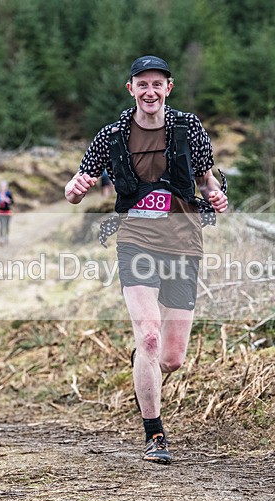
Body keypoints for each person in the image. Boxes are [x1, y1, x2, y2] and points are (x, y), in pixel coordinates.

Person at [65, 55, 228, 465]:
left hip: (183, 242)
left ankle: (143, 362)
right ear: (131, 89)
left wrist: (216, 194)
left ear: (168, 88)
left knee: (170, 357)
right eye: (142, 84)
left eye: (157, 84)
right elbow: (79, 184)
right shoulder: (112, 135)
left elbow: (207, 177)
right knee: (149, 335)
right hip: (135, 240)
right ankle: (154, 434)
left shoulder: (189, 128)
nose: (150, 91)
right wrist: (74, 189)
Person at [0, 180, 14, 246]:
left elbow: (12, 202)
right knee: (1, 226)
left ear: (6, 187)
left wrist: (8, 200)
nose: (3, 187)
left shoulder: (8, 193)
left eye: (4, 186)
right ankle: (1, 239)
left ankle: (6, 237)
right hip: (0, 212)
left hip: (8, 212)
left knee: (7, 226)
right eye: (2, 186)